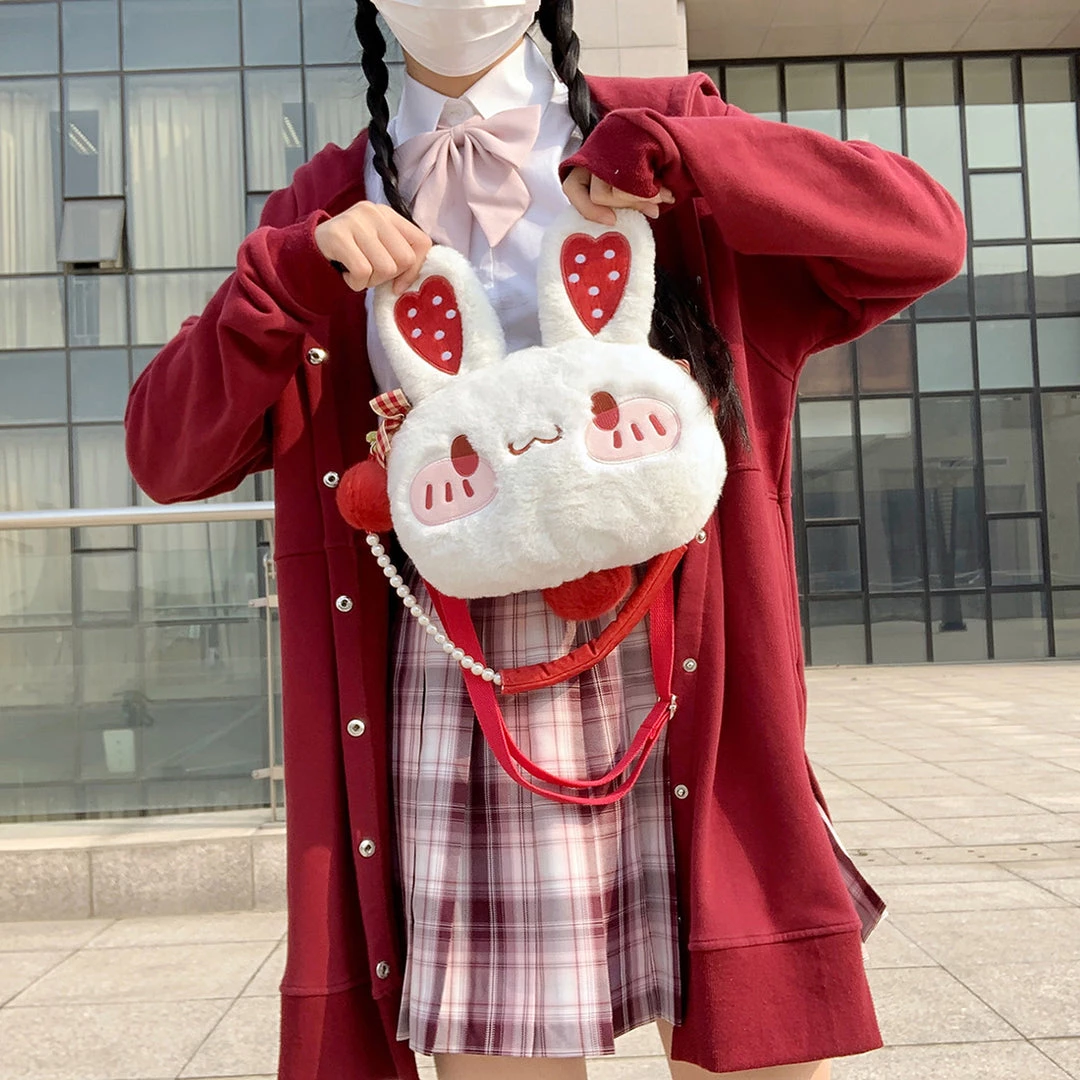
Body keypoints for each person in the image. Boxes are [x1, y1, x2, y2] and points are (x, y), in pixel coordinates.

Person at [124, 2, 967, 1078]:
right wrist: (287, 275)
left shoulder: (658, 128)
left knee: (752, 1039)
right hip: (462, 676)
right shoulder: (326, 203)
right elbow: (166, 453)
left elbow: (922, 233)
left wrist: (692, 160)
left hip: (687, 658)